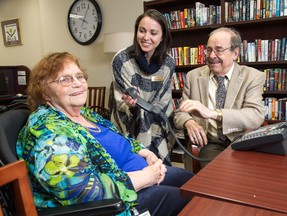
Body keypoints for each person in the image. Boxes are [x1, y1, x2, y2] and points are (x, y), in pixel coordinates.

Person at [16, 52, 193, 216]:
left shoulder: (85, 114)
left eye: (79, 77)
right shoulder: (48, 134)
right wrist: (146, 177)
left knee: (192, 182)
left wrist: (147, 154)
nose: (77, 83)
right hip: (118, 204)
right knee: (190, 200)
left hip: (141, 175)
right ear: (45, 91)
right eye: (65, 80)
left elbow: (123, 140)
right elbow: (86, 192)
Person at [174, 27, 265, 169]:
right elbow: (180, 112)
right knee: (220, 176)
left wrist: (214, 113)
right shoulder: (193, 76)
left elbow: (255, 115)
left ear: (235, 53)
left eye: (218, 50)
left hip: (241, 142)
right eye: (209, 50)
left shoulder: (252, 77)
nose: (211, 56)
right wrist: (189, 122)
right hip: (209, 144)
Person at [111, 9, 175, 165]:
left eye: (153, 33)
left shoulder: (168, 63)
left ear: (162, 38)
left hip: (156, 126)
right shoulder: (122, 59)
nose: (146, 37)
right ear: (136, 32)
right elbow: (126, 104)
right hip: (128, 128)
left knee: (163, 174)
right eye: (142, 31)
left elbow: (164, 101)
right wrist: (133, 106)